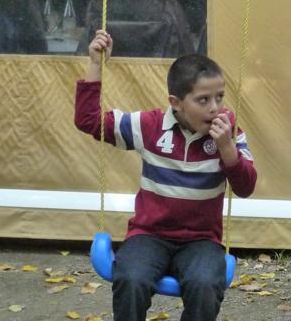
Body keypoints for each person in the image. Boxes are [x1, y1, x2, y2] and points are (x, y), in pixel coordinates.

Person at [74, 30, 257, 321]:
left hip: (201, 240)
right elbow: (89, 121)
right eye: (203, 100)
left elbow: (246, 187)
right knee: (131, 278)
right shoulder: (150, 126)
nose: (214, 108)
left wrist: (226, 148)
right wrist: (95, 64)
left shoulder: (229, 132)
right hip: (149, 235)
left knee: (205, 284)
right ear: (176, 102)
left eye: (219, 97)